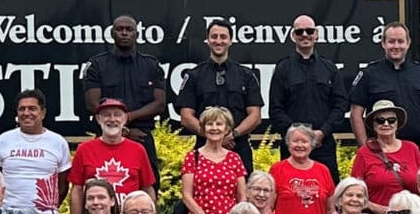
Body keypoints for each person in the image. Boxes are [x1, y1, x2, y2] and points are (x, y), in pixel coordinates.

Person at [80, 13, 168, 169]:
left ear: (137, 34)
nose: (125, 33)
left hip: (142, 136)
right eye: (120, 29)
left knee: (149, 187)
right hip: (106, 138)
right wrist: (123, 131)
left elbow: (159, 104)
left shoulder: (151, 65)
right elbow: (92, 104)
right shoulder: (97, 65)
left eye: (129, 29)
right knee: (103, 186)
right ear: (112, 33)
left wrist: (127, 118)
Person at [176, 20, 263, 163]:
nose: (218, 41)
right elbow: (186, 117)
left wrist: (233, 134)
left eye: (223, 37)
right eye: (214, 36)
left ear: (230, 41)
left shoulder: (246, 75)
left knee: (243, 186)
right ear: (208, 40)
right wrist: (213, 136)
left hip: (238, 147)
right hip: (204, 148)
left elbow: (255, 116)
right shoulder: (194, 76)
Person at [269, 15, 350, 164]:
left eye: (309, 31)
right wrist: (298, 136)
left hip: (324, 147)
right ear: (293, 36)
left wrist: (322, 132)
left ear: (316, 34)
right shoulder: (283, 69)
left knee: (328, 187)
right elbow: (275, 109)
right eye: (300, 32)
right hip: (292, 148)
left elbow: (340, 105)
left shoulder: (330, 68)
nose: (305, 35)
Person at [0, 90, 72, 214]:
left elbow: (62, 184)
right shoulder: (4, 140)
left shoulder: (58, 142)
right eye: (22, 109)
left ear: (43, 113)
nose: (26, 113)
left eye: (32, 108)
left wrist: (47, 206)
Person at [348, 24, 420, 145]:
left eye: (400, 41)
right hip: (381, 149)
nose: (396, 46)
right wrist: (365, 148)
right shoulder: (369, 73)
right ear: (383, 43)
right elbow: (355, 113)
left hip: (417, 149)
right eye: (391, 41)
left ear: (408, 43)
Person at [69, 97, 158, 212]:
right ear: (98, 119)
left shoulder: (138, 150)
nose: (112, 119)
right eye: (106, 115)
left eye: (117, 115)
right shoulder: (84, 149)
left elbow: (148, 189)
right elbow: (77, 190)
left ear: (125, 118)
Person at [269, 124, 337, 214]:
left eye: (304, 141)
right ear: (288, 144)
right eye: (295, 141)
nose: (300, 145)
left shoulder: (323, 170)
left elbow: (331, 210)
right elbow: (268, 208)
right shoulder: (277, 169)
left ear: (312, 144)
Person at [353, 100, 420, 214]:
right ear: (373, 124)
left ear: (397, 123)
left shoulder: (412, 148)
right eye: (380, 120)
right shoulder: (364, 152)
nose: (386, 124)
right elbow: (354, 191)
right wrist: (376, 209)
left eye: (391, 120)